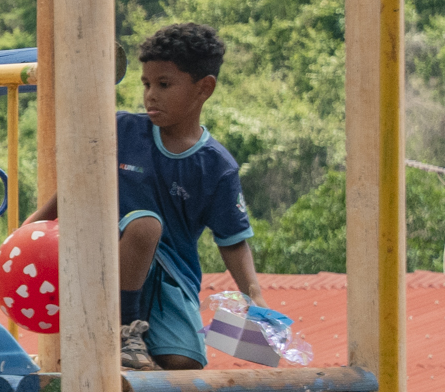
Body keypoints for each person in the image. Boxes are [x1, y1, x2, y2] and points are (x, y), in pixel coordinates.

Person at [41, 21, 274, 372]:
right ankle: (123, 330)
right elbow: (76, 184)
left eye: (164, 85)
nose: (151, 94)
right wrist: (33, 225)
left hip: (171, 279)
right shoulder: (121, 130)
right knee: (145, 224)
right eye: (146, 84)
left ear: (203, 89)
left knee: (184, 362)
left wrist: (253, 296)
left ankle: (141, 352)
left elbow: (232, 241)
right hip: (107, 262)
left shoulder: (217, 167)